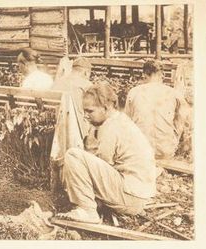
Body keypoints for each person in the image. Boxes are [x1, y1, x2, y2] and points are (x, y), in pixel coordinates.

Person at [57, 83, 156, 223]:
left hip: (131, 196)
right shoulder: (119, 120)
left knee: (73, 155)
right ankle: (92, 204)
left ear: (106, 107)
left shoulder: (111, 126)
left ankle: (87, 210)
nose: (86, 116)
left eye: (90, 111)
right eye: (84, 111)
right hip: (138, 195)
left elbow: (102, 164)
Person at [124, 60, 189, 159]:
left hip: (141, 151)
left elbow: (127, 123)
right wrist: (175, 139)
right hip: (165, 150)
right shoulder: (173, 93)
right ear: (162, 75)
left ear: (144, 75)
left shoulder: (134, 92)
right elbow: (183, 120)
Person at [52, 57, 93, 140]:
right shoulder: (86, 85)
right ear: (86, 73)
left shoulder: (58, 82)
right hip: (78, 129)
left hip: (57, 127)